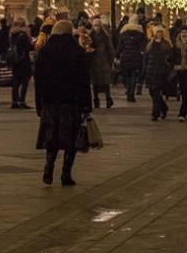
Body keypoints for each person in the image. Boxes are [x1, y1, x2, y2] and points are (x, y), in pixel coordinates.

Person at [34, 18, 92, 186]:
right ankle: (66, 173)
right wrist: (86, 105)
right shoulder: (77, 52)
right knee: (71, 139)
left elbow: (38, 80)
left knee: (51, 136)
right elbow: (83, 81)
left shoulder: (45, 52)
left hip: (50, 101)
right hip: (71, 102)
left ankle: (49, 165)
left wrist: (39, 103)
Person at [143, 26, 172, 121]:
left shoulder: (166, 44)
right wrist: (145, 69)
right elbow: (146, 58)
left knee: (156, 93)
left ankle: (155, 114)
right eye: (158, 32)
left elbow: (169, 59)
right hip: (151, 71)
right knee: (152, 93)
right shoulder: (150, 44)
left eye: (161, 32)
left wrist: (167, 70)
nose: (159, 34)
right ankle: (164, 107)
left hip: (160, 72)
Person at [116, 15, 145, 103]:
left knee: (126, 76)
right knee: (133, 76)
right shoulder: (140, 34)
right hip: (136, 58)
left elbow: (120, 46)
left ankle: (128, 90)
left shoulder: (124, 33)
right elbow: (143, 46)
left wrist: (117, 55)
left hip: (125, 57)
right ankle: (131, 94)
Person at [7, 18, 34, 110]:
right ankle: (22, 101)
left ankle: (14, 101)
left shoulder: (12, 35)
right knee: (25, 81)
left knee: (16, 81)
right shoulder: (24, 35)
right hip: (24, 61)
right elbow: (29, 47)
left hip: (15, 61)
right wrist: (33, 44)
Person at [89, 16, 115, 109]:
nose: (97, 28)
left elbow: (110, 48)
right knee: (95, 83)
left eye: (98, 26)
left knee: (106, 82)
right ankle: (96, 100)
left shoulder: (105, 37)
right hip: (95, 63)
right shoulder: (90, 37)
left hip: (104, 62)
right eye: (95, 26)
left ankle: (108, 99)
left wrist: (111, 60)